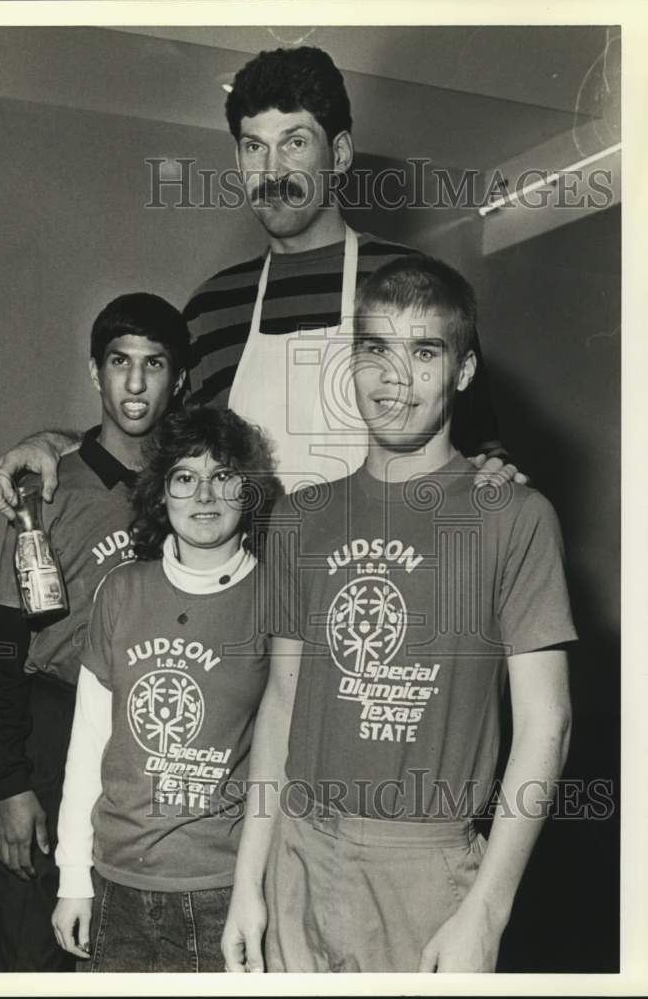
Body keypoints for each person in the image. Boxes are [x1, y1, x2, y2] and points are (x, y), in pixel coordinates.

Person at [222, 254, 576, 973]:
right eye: (375, 349)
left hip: (425, 864)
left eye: (424, 353)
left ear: (463, 371)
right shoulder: (299, 518)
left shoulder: (511, 514)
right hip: (296, 848)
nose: (394, 380)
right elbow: (281, 703)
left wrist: (486, 908)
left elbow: (549, 725)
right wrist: (246, 881)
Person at [0, 46, 523, 511]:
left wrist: (496, 475)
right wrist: (55, 444)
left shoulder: (415, 285)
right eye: (253, 147)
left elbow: (479, 448)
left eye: (294, 143)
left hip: (383, 583)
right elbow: (152, 451)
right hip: (252, 597)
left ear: (337, 155)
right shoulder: (211, 308)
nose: (271, 172)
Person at [0, 293, 189, 971]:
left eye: (153, 364)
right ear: (95, 373)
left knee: (131, 950)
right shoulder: (50, 488)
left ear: (177, 378)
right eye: (118, 362)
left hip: (151, 743)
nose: (133, 382)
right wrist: (8, 785)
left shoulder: (195, 491)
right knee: (35, 953)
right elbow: (2, 649)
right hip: (55, 737)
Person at [50, 406, 282, 972]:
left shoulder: (278, 597)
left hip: (221, 890)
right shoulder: (121, 591)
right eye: (185, 477)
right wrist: (73, 876)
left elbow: (285, 762)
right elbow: (88, 745)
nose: (205, 494)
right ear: (161, 494)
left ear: (247, 491)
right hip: (114, 884)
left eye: (223, 475)